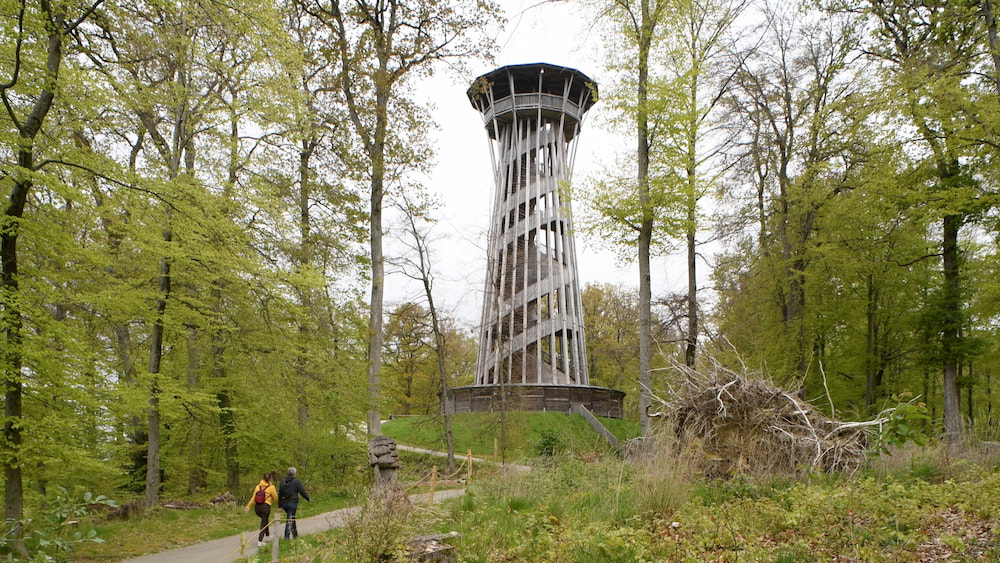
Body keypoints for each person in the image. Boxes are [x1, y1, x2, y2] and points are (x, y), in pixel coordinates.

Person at [244, 472, 278, 547]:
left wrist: (248, 506)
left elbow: (253, 497)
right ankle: (260, 541)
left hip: (257, 508)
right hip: (265, 507)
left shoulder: (257, 487)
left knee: (265, 520)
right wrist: (279, 505)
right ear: (270, 479)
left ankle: (268, 536)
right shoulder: (271, 487)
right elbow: (275, 497)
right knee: (263, 522)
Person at [278, 467, 311, 539]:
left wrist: (279, 506)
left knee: (291, 518)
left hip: (284, 503)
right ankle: (286, 537)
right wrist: (308, 498)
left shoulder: (282, 482)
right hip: (292, 503)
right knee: (289, 519)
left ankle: (295, 535)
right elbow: (302, 491)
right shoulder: (297, 481)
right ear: (294, 473)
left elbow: (280, 494)